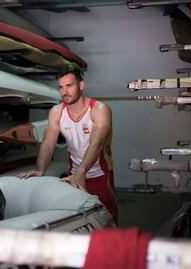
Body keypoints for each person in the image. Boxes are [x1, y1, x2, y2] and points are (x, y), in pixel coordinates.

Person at [17, 65, 118, 223]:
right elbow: (48, 144)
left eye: (69, 86)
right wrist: (40, 170)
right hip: (73, 174)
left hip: (100, 174)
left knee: (107, 218)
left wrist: (82, 171)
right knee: (77, 218)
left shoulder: (99, 109)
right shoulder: (57, 112)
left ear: (81, 85)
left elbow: (96, 144)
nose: (65, 91)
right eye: (61, 87)